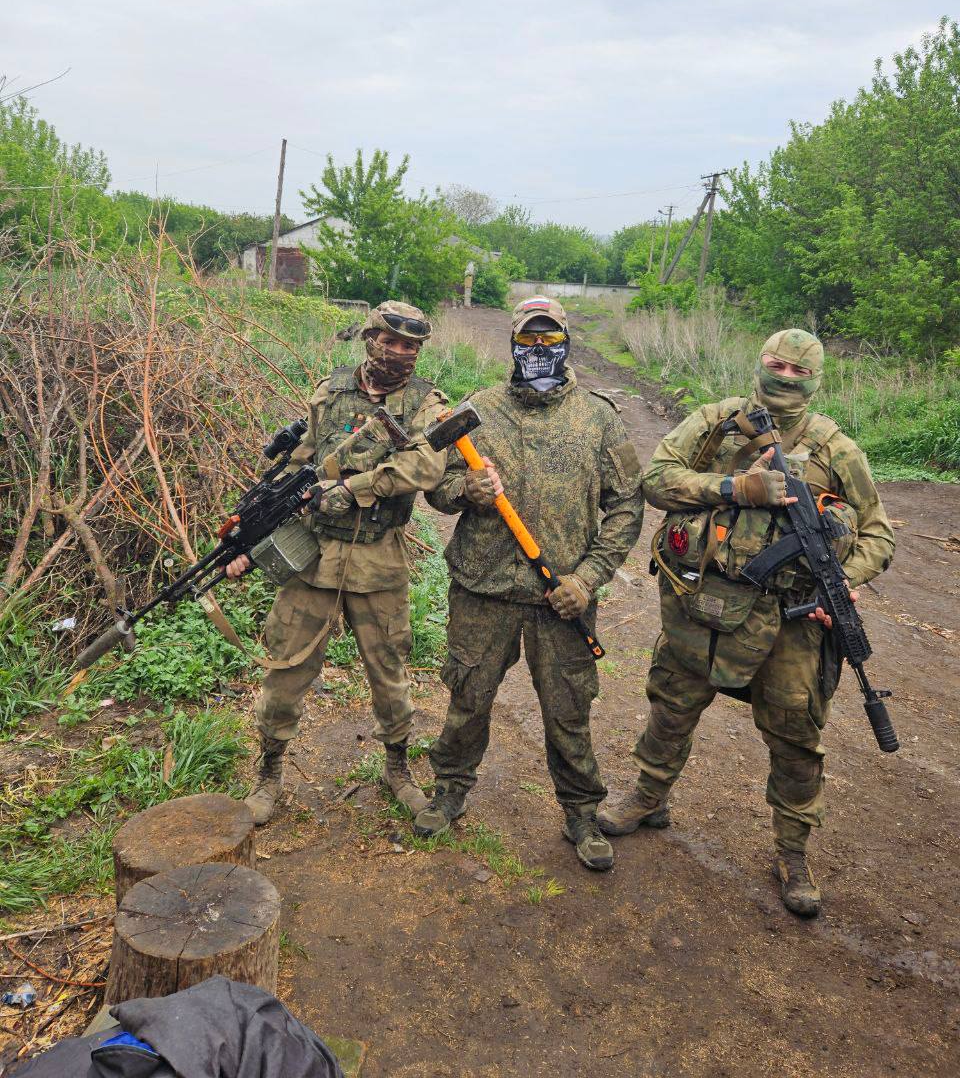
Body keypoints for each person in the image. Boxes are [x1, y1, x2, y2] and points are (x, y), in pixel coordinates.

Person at [599, 329, 895, 916]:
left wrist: (846, 584)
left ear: (815, 379)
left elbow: (878, 534)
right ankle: (647, 796)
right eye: (774, 363)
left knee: (793, 734)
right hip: (702, 602)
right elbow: (657, 480)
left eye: (797, 368)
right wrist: (737, 487)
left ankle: (793, 851)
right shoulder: (715, 422)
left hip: (791, 618)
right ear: (758, 362)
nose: (784, 375)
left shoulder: (838, 451)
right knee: (673, 703)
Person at [413, 296, 645, 871]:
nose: (539, 350)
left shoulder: (599, 417)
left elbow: (626, 507)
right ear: (512, 344)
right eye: (528, 340)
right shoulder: (480, 410)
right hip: (482, 586)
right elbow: (436, 489)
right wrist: (467, 490)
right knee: (468, 695)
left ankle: (582, 811)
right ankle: (449, 789)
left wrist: (588, 580)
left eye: (550, 340)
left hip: (559, 598)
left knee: (568, 708)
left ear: (567, 343)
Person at [226, 301, 449, 824]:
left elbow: (424, 467)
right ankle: (269, 773)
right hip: (314, 557)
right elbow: (300, 464)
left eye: (410, 346)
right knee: (285, 671)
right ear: (369, 339)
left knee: (388, 672)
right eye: (390, 342)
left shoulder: (426, 404)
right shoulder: (330, 393)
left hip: (378, 559)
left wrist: (354, 488)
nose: (400, 354)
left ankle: (398, 769)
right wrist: (251, 534)